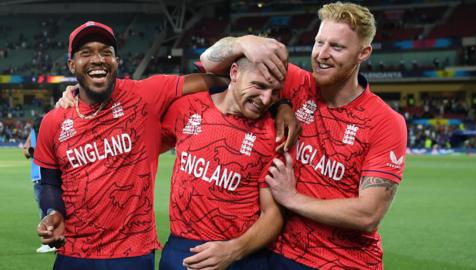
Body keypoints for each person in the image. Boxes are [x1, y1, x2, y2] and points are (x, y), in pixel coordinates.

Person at [35, 21, 298, 270]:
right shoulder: (55, 121)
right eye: (85, 52)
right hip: (93, 251)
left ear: (116, 60)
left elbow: (212, 77)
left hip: (138, 253)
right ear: (71, 64)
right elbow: (48, 180)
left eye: (106, 52)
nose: (97, 58)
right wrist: (52, 210)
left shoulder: (147, 94)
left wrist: (280, 103)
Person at [200, 2, 408, 269]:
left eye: (337, 47)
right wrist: (243, 43)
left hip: (344, 263)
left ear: (363, 53)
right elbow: (209, 63)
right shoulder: (295, 84)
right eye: (319, 42)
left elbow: (368, 215)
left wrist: (292, 198)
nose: (322, 54)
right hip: (278, 255)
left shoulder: (385, 122)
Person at [158, 57, 284, 270]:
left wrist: (234, 250)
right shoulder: (187, 107)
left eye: (275, 92)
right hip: (182, 250)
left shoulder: (275, 135)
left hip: (240, 256)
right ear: (234, 73)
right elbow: (142, 148)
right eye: (259, 86)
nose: (266, 99)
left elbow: (274, 214)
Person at [22, 116, 56, 253]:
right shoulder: (33, 133)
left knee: (48, 209)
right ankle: (51, 241)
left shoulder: (45, 131)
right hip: (37, 176)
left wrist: (32, 151)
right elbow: (25, 151)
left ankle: (51, 242)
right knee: (45, 209)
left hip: (46, 175)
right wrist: (31, 150)